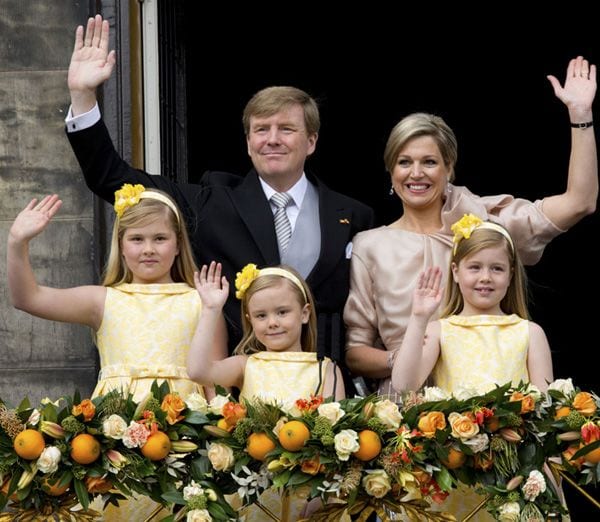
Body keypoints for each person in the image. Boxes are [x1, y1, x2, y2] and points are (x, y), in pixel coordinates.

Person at [65, 15, 374, 374]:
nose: (272, 139)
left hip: (324, 388)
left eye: (286, 129)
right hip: (233, 392)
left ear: (311, 141)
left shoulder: (352, 215)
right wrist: (83, 96)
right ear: (248, 143)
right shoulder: (212, 201)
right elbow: (112, 179)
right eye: (261, 130)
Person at [344, 55, 597, 396]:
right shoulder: (369, 244)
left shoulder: (483, 221)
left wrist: (580, 115)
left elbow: (579, 201)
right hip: (403, 410)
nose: (416, 173)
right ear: (391, 172)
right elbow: (355, 353)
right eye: (404, 162)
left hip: (488, 410)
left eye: (429, 162)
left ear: (449, 168)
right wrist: (414, 358)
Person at [7, 185, 217, 521]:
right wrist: (18, 243)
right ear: (121, 244)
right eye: (137, 239)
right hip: (114, 431)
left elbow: (212, 379)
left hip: (186, 431)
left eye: (160, 238)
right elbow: (27, 297)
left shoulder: (201, 299)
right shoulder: (103, 299)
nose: (148, 249)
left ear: (178, 244)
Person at [392, 215, 554, 521]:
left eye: (497, 268)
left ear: (510, 275)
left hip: (513, 472)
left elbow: (546, 409)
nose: (486, 277)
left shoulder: (529, 333)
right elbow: (404, 384)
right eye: (475, 267)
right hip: (454, 471)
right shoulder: (441, 330)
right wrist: (419, 318)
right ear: (456, 271)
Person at [187, 261, 345, 520]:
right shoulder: (245, 365)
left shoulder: (325, 369)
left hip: (308, 494)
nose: (272, 323)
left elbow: (335, 438)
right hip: (254, 495)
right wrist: (211, 310)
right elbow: (197, 371)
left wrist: (323, 494)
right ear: (250, 319)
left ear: (304, 313)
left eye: (282, 312)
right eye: (261, 315)